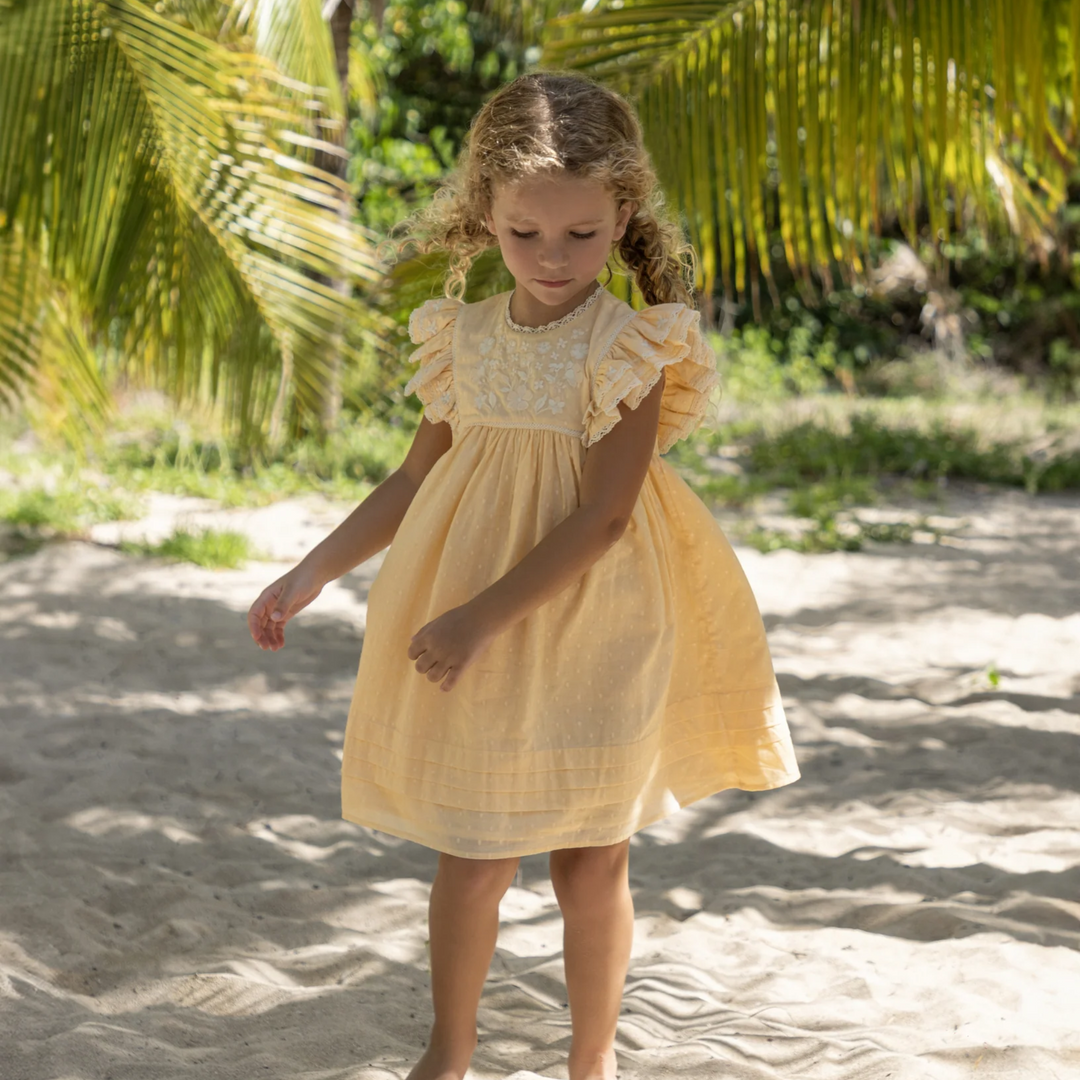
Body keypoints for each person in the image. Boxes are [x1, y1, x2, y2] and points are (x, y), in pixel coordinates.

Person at [248, 71, 800, 1080]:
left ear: (621, 213)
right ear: (485, 218)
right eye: (526, 234)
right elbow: (417, 475)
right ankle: (447, 1055)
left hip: (592, 618)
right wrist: (312, 569)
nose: (554, 258)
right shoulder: (461, 336)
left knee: (590, 862)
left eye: (582, 235)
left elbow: (606, 517)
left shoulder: (626, 346)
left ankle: (593, 1063)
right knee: (473, 852)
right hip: (473, 618)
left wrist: (476, 619)